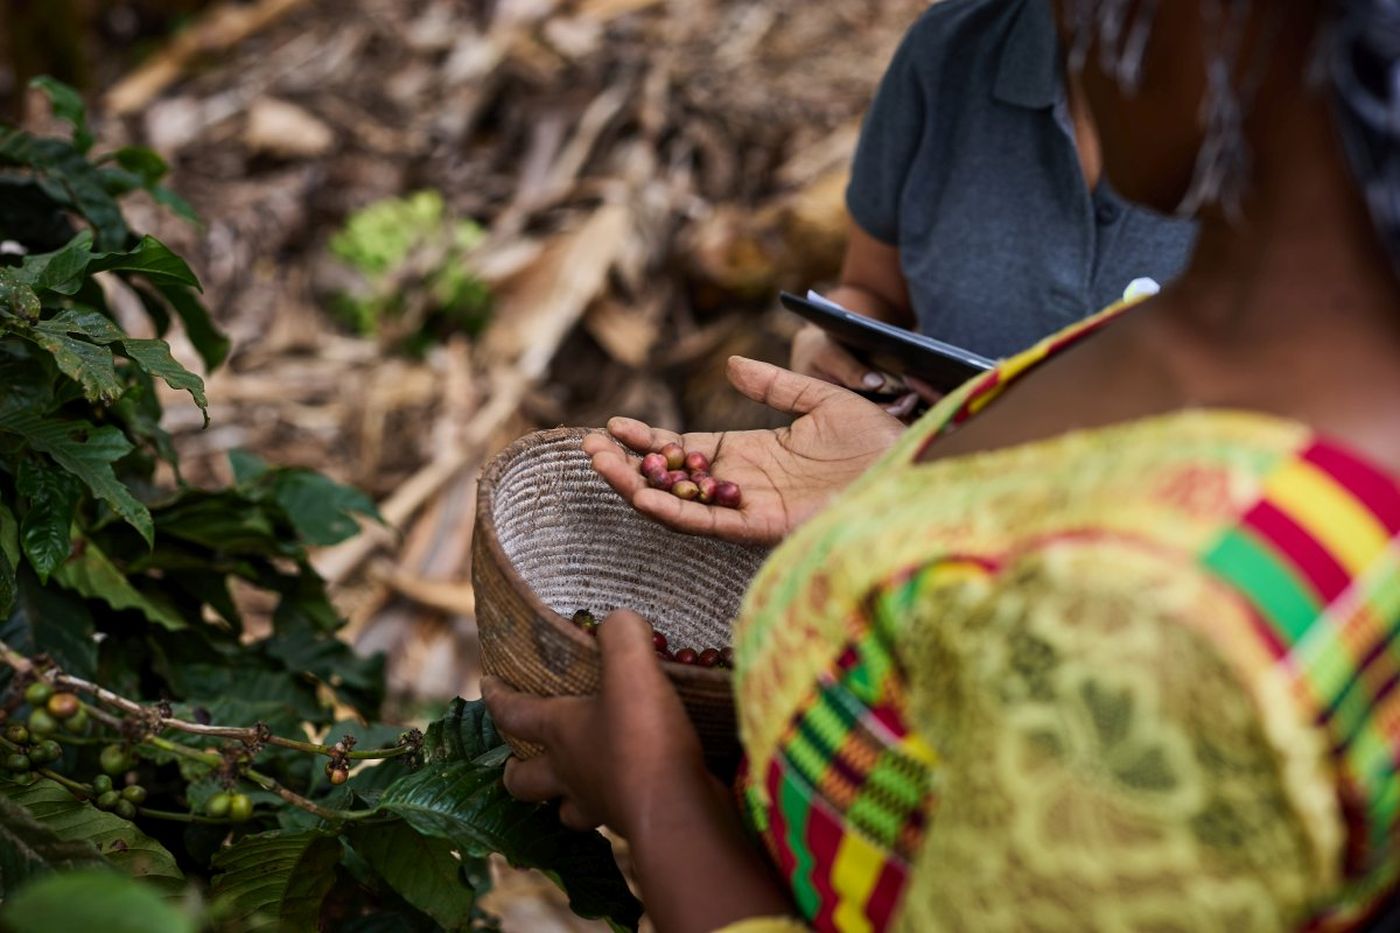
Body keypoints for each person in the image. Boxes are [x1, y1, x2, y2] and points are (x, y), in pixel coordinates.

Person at [484, 0, 1400, 929]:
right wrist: (907, 477)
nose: (1067, 32)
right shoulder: (1202, 323)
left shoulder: (1171, 632)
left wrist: (656, 793)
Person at [792, 0, 1197, 415]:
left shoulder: (1258, 108)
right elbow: (872, 291)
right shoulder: (946, 55)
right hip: (943, 471)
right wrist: (826, 343)